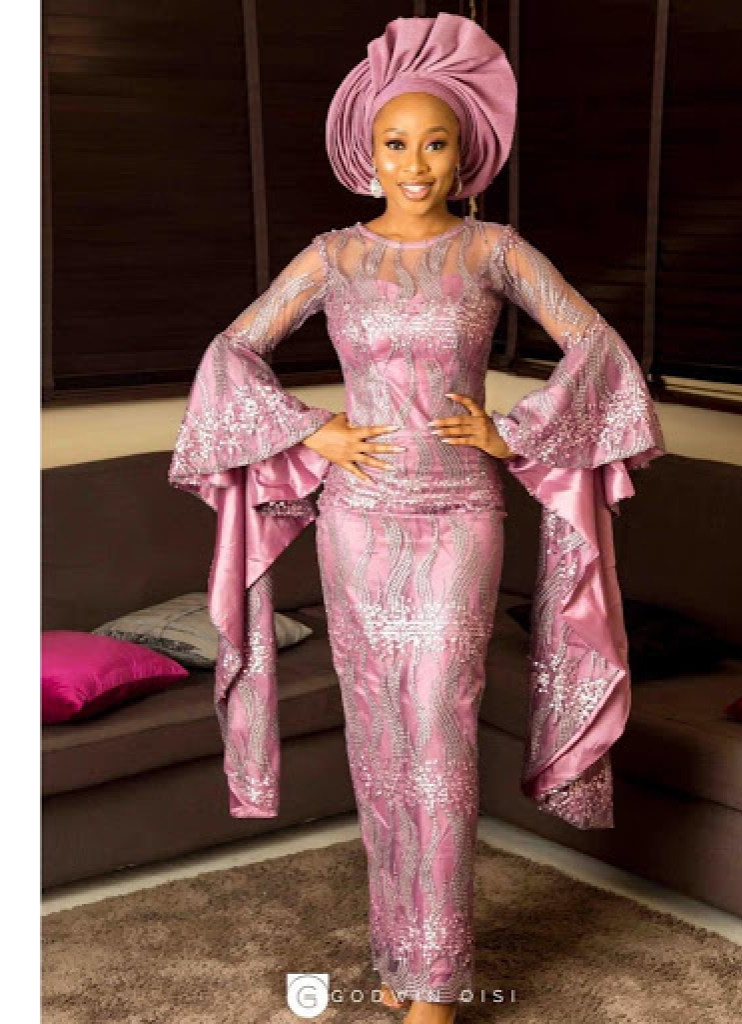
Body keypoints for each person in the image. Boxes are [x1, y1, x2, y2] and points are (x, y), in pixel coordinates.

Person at [168, 13, 666, 1024]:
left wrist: (512, 430)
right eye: (396, 143)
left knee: (436, 732)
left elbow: (598, 346)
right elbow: (231, 351)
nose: (415, 163)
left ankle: (436, 982)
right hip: (356, 522)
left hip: (459, 517)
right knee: (378, 737)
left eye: (435, 143)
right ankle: (396, 955)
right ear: (367, 151)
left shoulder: (493, 249)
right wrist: (313, 430)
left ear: (464, 151)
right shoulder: (332, 258)